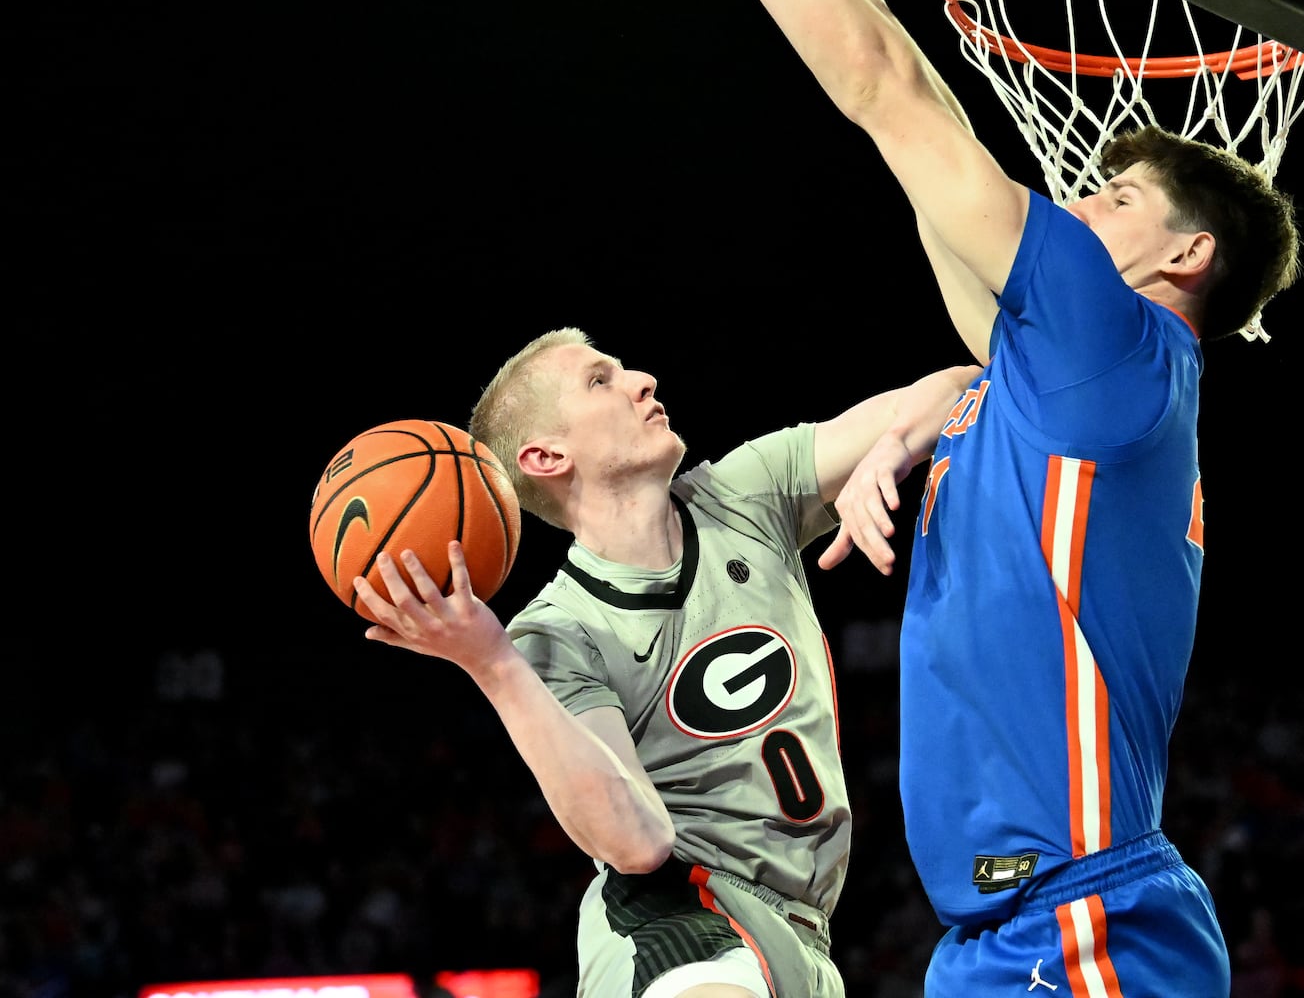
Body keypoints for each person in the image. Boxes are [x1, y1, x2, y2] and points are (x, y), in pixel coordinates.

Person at [743, 0, 1302, 995]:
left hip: (1085, 920)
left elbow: (886, 90)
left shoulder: (1109, 339)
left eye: (1113, 196)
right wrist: (911, 426)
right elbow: (931, 182)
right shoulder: (1053, 372)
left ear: (1185, 255)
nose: (1073, 203)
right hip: (1010, 931)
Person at [352, 326, 979, 998]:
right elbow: (636, 844)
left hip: (803, 933)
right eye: (601, 380)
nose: (641, 380)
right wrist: (494, 665)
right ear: (544, 455)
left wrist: (891, 449)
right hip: (678, 917)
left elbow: (964, 388)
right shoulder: (557, 633)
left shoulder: (746, 493)